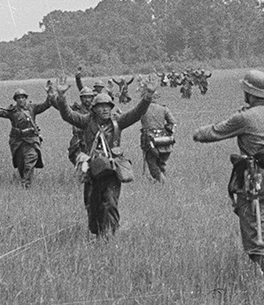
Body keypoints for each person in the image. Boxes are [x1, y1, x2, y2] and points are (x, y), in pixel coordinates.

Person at [193, 69, 264, 292]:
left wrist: (196, 132)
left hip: (252, 184)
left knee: (256, 236)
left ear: (249, 92)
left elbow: (212, 133)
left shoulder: (245, 118)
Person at [53, 76, 156, 238]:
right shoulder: (86, 121)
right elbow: (68, 115)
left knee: (110, 203)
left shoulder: (118, 122)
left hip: (111, 169)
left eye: (107, 106)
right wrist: (61, 96)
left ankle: (111, 235)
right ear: (94, 109)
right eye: (100, 107)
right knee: (91, 205)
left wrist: (148, 95)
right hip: (91, 169)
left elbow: (137, 113)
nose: (105, 110)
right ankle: (98, 232)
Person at [0, 85, 53, 187]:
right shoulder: (12, 110)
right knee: (21, 165)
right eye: (18, 98)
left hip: (31, 140)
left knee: (30, 162)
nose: (21, 100)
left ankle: (26, 185)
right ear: (16, 100)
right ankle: (23, 180)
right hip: (17, 141)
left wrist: (49, 94)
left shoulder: (32, 108)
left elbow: (46, 105)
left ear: (26, 98)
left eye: (23, 97)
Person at [139, 91, 178, 182]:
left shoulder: (142, 109)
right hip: (163, 139)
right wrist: (165, 131)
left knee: (152, 162)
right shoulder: (164, 109)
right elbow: (173, 123)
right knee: (162, 163)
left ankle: (163, 183)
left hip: (149, 139)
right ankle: (162, 182)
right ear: (156, 97)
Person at [67, 86, 97, 168]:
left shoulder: (95, 110)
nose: (87, 99)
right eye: (85, 97)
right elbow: (64, 110)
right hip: (79, 139)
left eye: (89, 97)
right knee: (78, 159)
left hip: (92, 138)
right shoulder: (76, 109)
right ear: (81, 98)